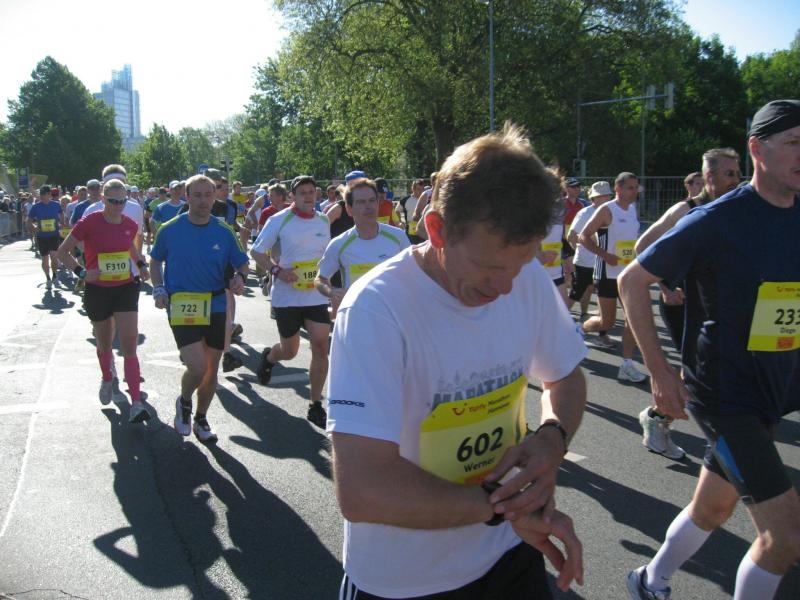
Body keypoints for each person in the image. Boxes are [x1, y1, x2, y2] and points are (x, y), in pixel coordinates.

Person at [328, 124, 586, 599]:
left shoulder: (524, 277)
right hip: (405, 581)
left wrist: (552, 439)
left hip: (509, 553)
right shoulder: (376, 310)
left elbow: (565, 376)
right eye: (490, 268)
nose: (505, 288)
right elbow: (363, 490)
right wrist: (503, 506)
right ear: (438, 229)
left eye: (521, 264)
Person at [619, 99, 800, 600]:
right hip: (724, 395)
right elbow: (632, 281)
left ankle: (649, 581)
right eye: (794, 143)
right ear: (757, 149)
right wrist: (660, 373)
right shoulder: (716, 219)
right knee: (785, 535)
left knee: (713, 507)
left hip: (771, 390)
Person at [149, 174, 249, 443]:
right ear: (187, 196)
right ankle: (184, 401)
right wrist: (158, 288)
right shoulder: (169, 229)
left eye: (208, 195)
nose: (203, 201)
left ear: (215, 197)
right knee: (197, 366)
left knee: (211, 370)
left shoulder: (224, 231)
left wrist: (240, 277)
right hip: (182, 304)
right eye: (197, 195)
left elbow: (242, 262)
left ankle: (201, 418)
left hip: (216, 304)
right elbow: (155, 262)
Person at [56, 178, 151, 422]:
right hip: (98, 289)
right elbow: (63, 252)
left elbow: (130, 247)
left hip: (125, 287)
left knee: (130, 343)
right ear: (103, 199)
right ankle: (107, 377)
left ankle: (137, 403)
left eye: (122, 201)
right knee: (105, 343)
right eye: (113, 201)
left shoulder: (129, 223)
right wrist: (82, 273)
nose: (118, 206)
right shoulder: (89, 222)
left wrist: (141, 265)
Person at [635, 148, 741, 349]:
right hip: (685, 302)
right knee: (694, 362)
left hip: (721, 302)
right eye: (729, 174)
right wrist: (666, 287)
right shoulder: (685, 210)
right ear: (709, 176)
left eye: (738, 174)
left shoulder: (735, 210)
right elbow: (642, 245)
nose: (736, 180)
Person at [251, 175, 331, 428]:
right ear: (292, 197)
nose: (308, 196)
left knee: (321, 345)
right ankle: (269, 358)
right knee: (290, 351)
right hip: (287, 296)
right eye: (302, 192)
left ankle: (315, 404)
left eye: (311, 192)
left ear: (316, 195)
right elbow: (256, 251)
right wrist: (277, 271)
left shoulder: (323, 219)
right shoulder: (279, 219)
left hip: (315, 294)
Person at [578, 172, 649, 385]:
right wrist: (605, 255)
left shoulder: (633, 209)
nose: (634, 192)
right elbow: (583, 236)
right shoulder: (607, 210)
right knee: (606, 321)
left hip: (628, 274)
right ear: (618, 189)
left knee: (632, 319)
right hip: (607, 273)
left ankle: (626, 365)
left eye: (636, 188)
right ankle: (578, 330)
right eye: (630, 188)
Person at [315, 178, 409, 310]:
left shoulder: (398, 237)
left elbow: (414, 274)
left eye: (372, 200)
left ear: (378, 204)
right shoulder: (339, 244)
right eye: (361, 202)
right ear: (349, 209)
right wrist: (332, 292)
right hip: (357, 315)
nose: (368, 206)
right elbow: (320, 279)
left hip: (392, 314)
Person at [566, 180, 613, 326]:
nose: (607, 198)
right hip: (585, 261)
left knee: (594, 290)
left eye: (608, 195)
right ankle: (558, 319)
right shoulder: (585, 213)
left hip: (603, 261)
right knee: (577, 291)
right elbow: (571, 236)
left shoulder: (611, 211)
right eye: (603, 195)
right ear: (594, 198)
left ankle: (586, 315)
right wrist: (582, 249)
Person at [26, 184, 62, 290]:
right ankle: (48, 278)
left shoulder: (56, 204)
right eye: (41, 194)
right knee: (45, 259)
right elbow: (28, 221)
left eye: (45, 194)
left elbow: (61, 214)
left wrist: (61, 222)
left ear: (49, 194)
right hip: (42, 236)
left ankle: (55, 276)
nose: (42, 196)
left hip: (54, 235)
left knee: (54, 257)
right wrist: (34, 228)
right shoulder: (36, 206)